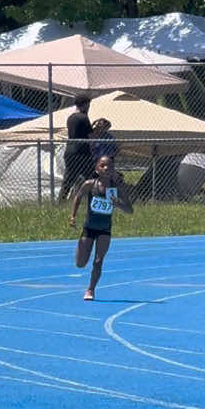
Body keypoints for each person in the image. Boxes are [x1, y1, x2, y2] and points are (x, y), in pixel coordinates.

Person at [68, 154, 132, 301]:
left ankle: (90, 289)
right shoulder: (90, 184)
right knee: (80, 263)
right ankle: (81, 249)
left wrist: (118, 204)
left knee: (98, 260)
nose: (106, 168)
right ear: (96, 169)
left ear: (114, 170)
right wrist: (73, 216)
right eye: (102, 165)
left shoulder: (118, 188)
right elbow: (78, 197)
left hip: (105, 229)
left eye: (109, 166)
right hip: (89, 227)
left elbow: (130, 210)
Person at [59, 94, 93, 201]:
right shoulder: (83, 117)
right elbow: (90, 135)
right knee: (91, 177)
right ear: (85, 104)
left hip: (70, 151)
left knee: (69, 178)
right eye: (88, 105)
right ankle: (94, 200)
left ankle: (61, 200)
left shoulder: (71, 118)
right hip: (82, 152)